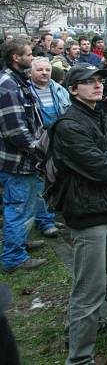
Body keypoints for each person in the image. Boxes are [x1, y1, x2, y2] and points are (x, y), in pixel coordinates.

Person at [53, 63, 107, 364]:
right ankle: (80, 357)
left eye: (99, 80)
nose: (98, 86)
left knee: (91, 278)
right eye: (89, 82)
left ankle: (80, 328)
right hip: (88, 212)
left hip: (103, 208)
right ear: (73, 89)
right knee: (89, 287)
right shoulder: (70, 124)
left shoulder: (97, 115)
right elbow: (101, 167)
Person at [0, 40, 47, 273]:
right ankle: (13, 257)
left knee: (26, 206)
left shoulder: (20, 81)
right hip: (17, 161)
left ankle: (20, 242)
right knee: (17, 207)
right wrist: (38, 149)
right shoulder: (8, 85)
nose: (33, 57)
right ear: (16, 58)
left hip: (27, 161)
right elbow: (15, 130)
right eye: (29, 54)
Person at [30, 57, 70, 238]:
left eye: (47, 69)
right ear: (31, 72)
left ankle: (50, 215)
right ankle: (44, 222)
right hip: (38, 142)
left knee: (55, 178)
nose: (45, 73)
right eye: (40, 70)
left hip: (58, 139)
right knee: (40, 183)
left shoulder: (58, 89)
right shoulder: (26, 91)